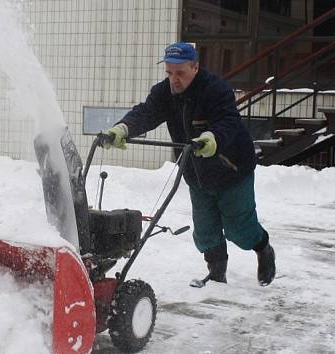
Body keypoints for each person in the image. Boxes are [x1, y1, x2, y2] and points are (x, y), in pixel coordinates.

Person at [102, 42, 276, 286]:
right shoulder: (164, 93)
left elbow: (228, 121)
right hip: (197, 175)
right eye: (169, 73)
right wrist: (123, 128)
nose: (174, 80)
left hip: (231, 171)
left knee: (240, 230)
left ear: (195, 67)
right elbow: (146, 113)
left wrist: (212, 138)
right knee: (205, 232)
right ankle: (217, 276)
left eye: (180, 73)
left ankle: (263, 249)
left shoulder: (215, 90)